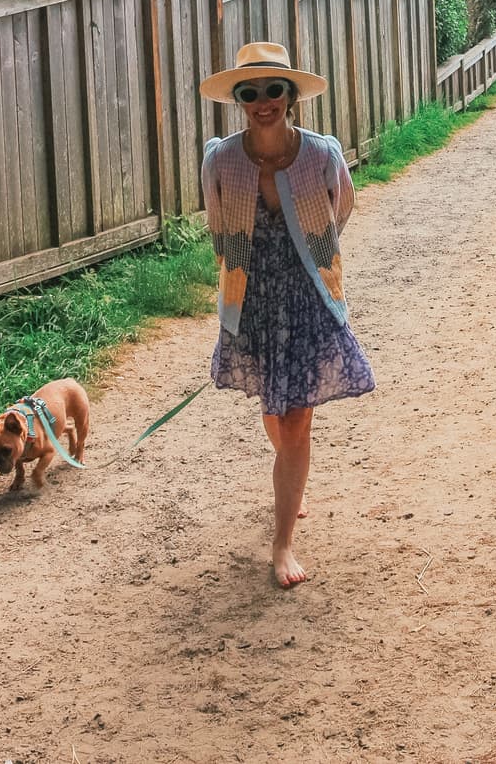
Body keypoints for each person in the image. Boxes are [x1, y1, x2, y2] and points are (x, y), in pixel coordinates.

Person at [200, 41, 374, 589]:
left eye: (274, 89)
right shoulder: (221, 158)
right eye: (250, 93)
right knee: (275, 407)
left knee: (297, 416)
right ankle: (290, 478)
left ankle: (282, 543)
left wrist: (310, 256)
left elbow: (339, 209)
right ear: (239, 101)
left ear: (291, 96)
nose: (263, 101)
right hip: (250, 296)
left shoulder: (321, 153)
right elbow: (217, 222)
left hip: (308, 295)